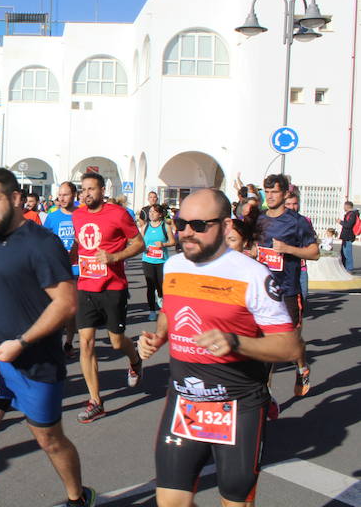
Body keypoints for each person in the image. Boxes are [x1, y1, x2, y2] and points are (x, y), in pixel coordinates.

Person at [138, 189, 302, 507]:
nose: (186, 232)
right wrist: (158, 337)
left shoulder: (252, 275)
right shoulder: (174, 267)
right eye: (181, 223)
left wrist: (236, 342)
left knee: (234, 503)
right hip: (185, 401)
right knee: (170, 502)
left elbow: (291, 346)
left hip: (237, 406)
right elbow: (170, 312)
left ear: (226, 226)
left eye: (199, 225)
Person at [0, 168, 95, 507]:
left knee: (50, 440)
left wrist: (21, 342)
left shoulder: (41, 243)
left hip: (35, 363)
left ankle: (77, 497)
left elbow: (66, 303)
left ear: (16, 199)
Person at [71, 172, 145, 423]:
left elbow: (139, 243)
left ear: (102, 190)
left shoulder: (118, 214)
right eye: (83, 189)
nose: (87, 193)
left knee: (116, 342)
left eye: (92, 189)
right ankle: (95, 401)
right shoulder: (78, 215)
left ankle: (134, 359)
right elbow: (80, 246)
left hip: (113, 287)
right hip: (86, 286)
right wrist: (64, 260)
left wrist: (115, 257)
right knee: (86, 342)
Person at [257, 174, 318, 398]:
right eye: (267, 191)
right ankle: (265, 396)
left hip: (288, 290)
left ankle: (302, 367)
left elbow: (314, 252)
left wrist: (288, 249)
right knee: (267, 349)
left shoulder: (297, 221)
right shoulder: (259, 220)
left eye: (274, 191)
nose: (270, 196)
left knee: (292, 341)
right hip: (263, 292)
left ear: (284, 194)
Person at [42, 182, 80, 356]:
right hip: (57, 268)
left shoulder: (82, 215)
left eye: (65, 194)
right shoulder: (53, 217)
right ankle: (54, 341)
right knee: (56, 307)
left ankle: (69, 343)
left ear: (74, 195)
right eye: (60, 195)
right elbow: (44, 241)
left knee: (71, 309)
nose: (62, 198)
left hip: (78, 269)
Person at [139, 204, 176, 322]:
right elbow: (140, 242)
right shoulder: (145, 226)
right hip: (147, 260)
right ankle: (152, 311)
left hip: (161, 261)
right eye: (150, 212)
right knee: (150, 286)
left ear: (160, 214)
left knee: (161, 286)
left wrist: (163, 244)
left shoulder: (166, 226)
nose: (151, 214)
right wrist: (142, 248)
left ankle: (160, 298)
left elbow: (173, 242)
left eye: (154, 212)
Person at [285, 192, 313, 309]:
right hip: (283, 269)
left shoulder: (305, 221)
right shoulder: (275, 222)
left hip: (300, 267)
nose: (292, 207)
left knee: (303, 299)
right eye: (289, 204)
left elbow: (311, 245)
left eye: (295, 204)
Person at [336, 200, 357, 271]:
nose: (343, 207)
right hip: (345, 237)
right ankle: (345, 267)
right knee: (343, 253)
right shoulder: (349, 214)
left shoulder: (352, 214)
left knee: (347, 254)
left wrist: (340, 222)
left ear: (347, 206)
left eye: (344, 206)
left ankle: (349, 269)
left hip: (348, 237)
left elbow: (348, 225)